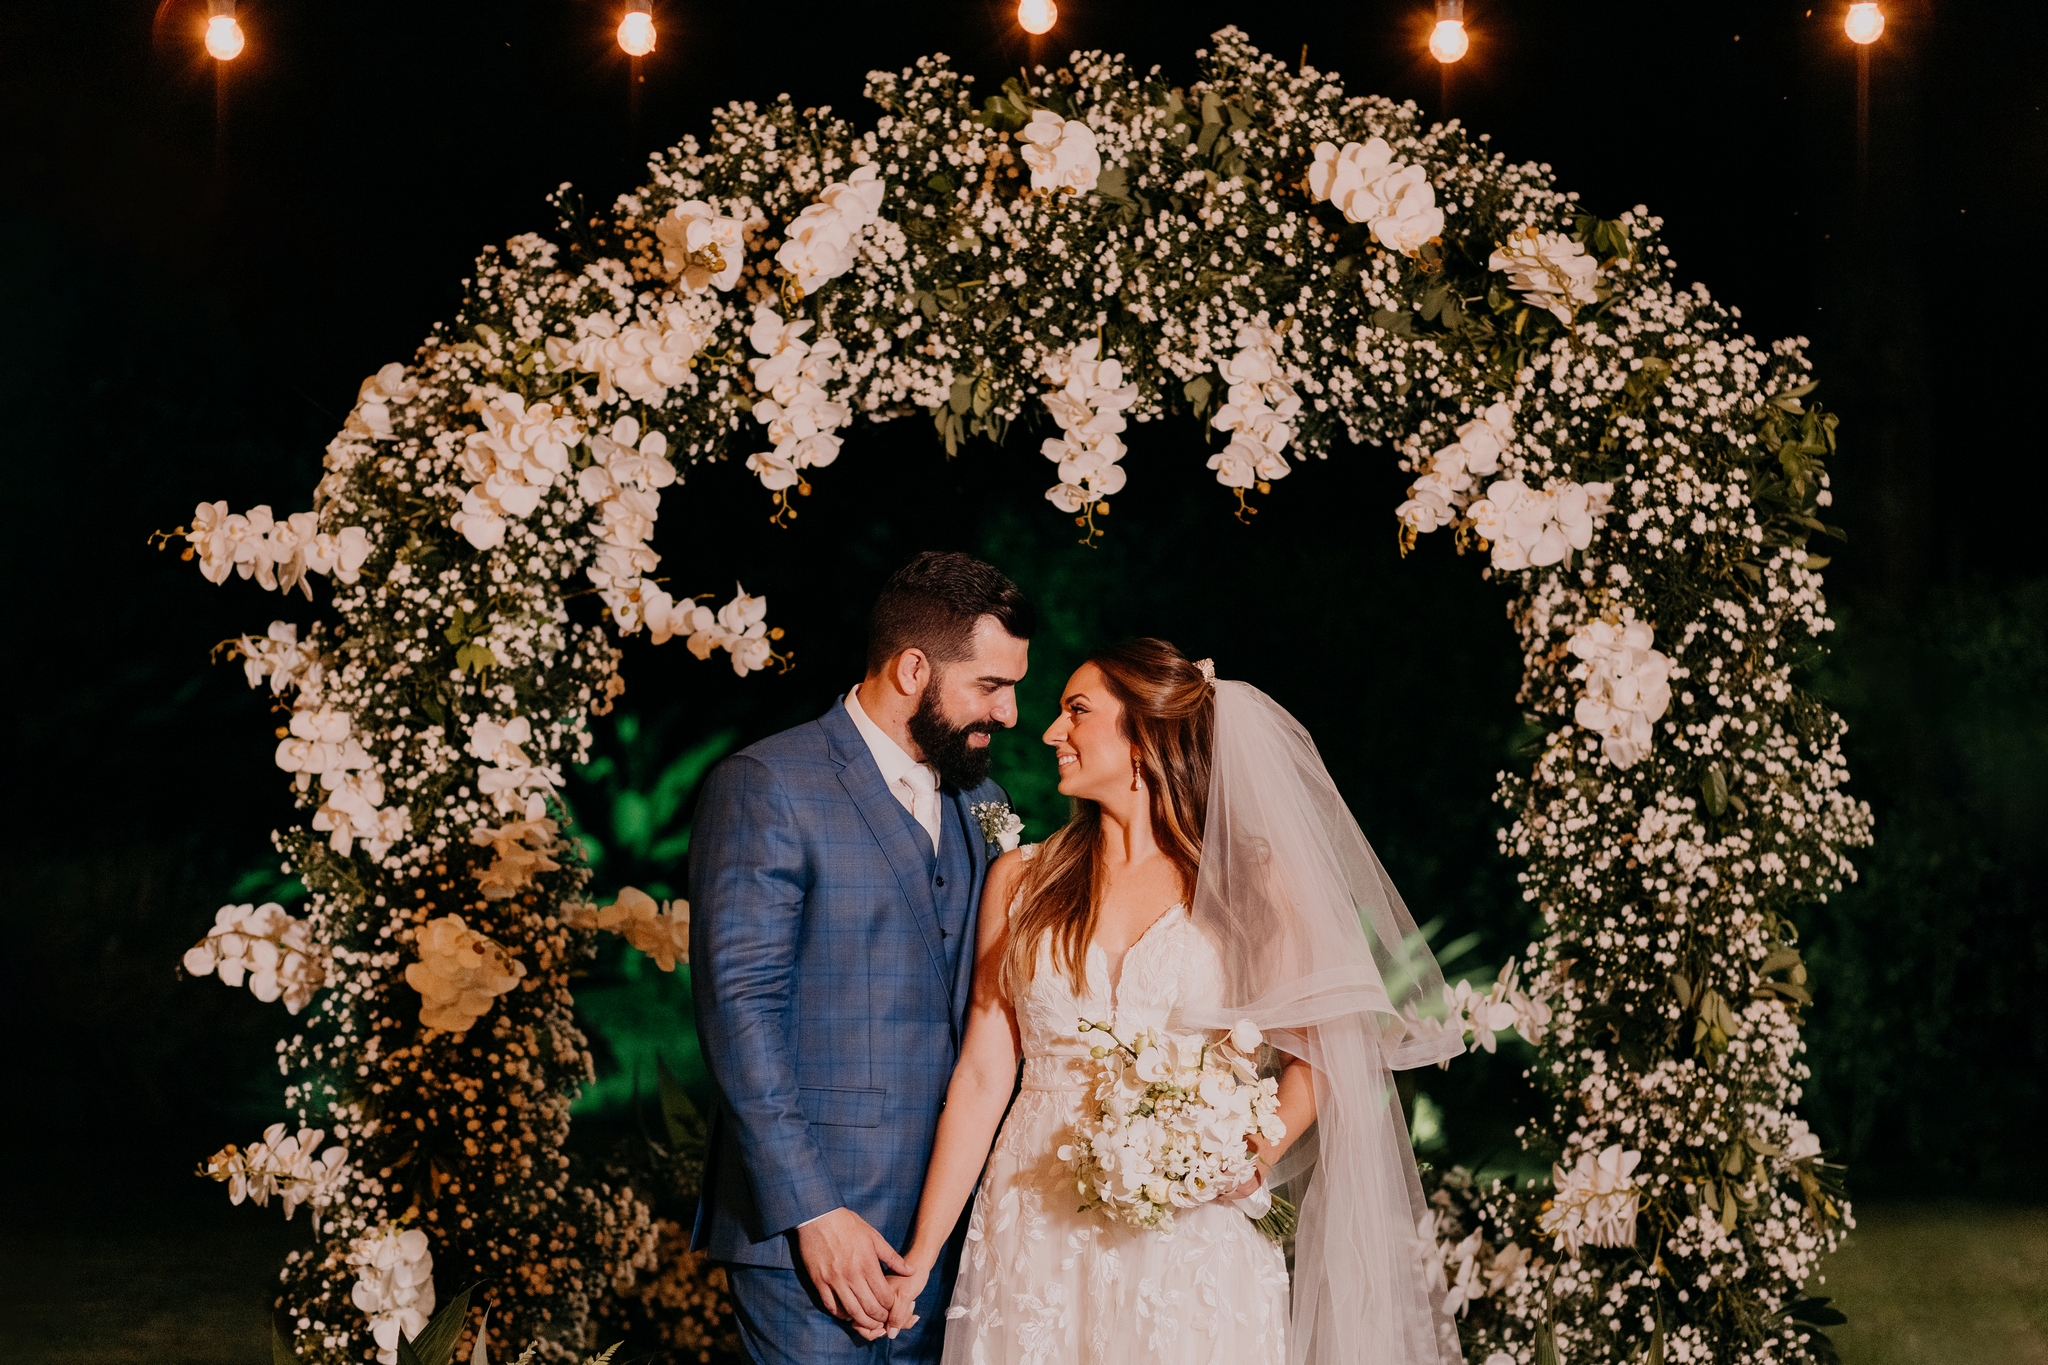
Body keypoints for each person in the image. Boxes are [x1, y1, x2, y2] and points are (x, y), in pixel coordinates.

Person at [878, 638, 1467, 1365]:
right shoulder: (1021, 880)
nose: (1051, 731)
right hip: (1033, 1215)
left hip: (1190, 1232)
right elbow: (981, 1074)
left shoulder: (1248, 885)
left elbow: (1321, 1045)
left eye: (1076, 711)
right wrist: (923, 1252)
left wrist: (1254, 1156)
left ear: (1144, 733)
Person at [689, 551, 1036, 1364]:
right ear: (914, 667)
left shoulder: (984, 804)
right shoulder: (768, 783)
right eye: (991, 684)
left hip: (952, 1231)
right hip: (813, 1236)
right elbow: (740, 1009)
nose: (1012, 712)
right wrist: (813, 1211)